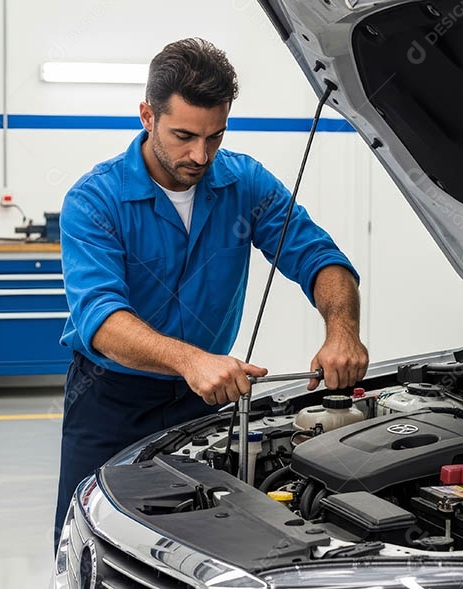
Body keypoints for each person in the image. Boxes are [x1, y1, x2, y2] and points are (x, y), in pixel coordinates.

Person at [54, 37, 368, 540]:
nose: (200, 155)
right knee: (91, 541)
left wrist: (343, 330)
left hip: (204, 398)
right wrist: (190, 360)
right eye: (183, 136)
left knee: (205, 542)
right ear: (147, 116)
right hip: (110, 400)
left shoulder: (245, 184)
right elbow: (102, 319)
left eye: (215, 137)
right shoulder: (95, 201)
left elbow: (320, 258)